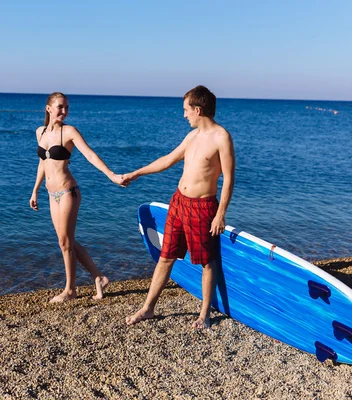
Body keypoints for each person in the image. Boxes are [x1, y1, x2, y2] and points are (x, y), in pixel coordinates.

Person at [123, 85, 235, 329]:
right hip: (178, 203)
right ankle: (148, 308)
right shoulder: (192, 137)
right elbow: (168, 160)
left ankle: (204, 314)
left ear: (198, 109)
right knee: (165, 257)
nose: (184, 115)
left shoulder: (221, 137)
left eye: (186, 110)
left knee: (207, 262)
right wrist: (136, 173)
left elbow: (228, 178)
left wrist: (220, 214)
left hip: (203, 207)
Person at [30, 92, 124, 303]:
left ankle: (70, 290)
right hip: (50, 193)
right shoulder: (40, 132)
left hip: (67, 192)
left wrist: (111, 175)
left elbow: (90, 155)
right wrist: (35, 190)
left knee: (65, 242)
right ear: (49, 108)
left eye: (67, 108)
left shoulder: (69, 132)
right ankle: (98, 277)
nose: (64, 111)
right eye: (60, 107)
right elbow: (42, 163)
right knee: (66, 241)